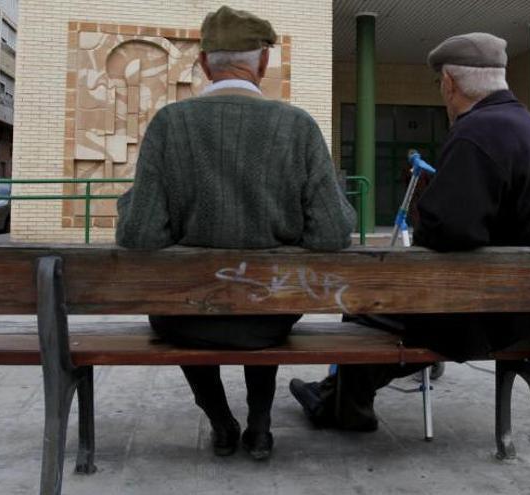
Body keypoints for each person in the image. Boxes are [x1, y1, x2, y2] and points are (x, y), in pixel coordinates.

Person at [289, 32, 530, 432]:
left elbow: (444, 235)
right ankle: (335, 395)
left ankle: (345, 404)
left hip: (504, 319)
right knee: (392, 308)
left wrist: (424, 203)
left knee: (365, 307)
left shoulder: (476, 132)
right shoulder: (527, 127)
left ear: (448, 83)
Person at [116, 6, 355, 459]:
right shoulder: (297, 126)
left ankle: (222, 422)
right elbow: (331, 233)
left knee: (178, 309)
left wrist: (130, 202)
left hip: (184, 316)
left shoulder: (170, 124)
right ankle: (260, 425)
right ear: (263, 63)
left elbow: (139, 235)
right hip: (271, 317)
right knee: (261, 300)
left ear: (204, 64)